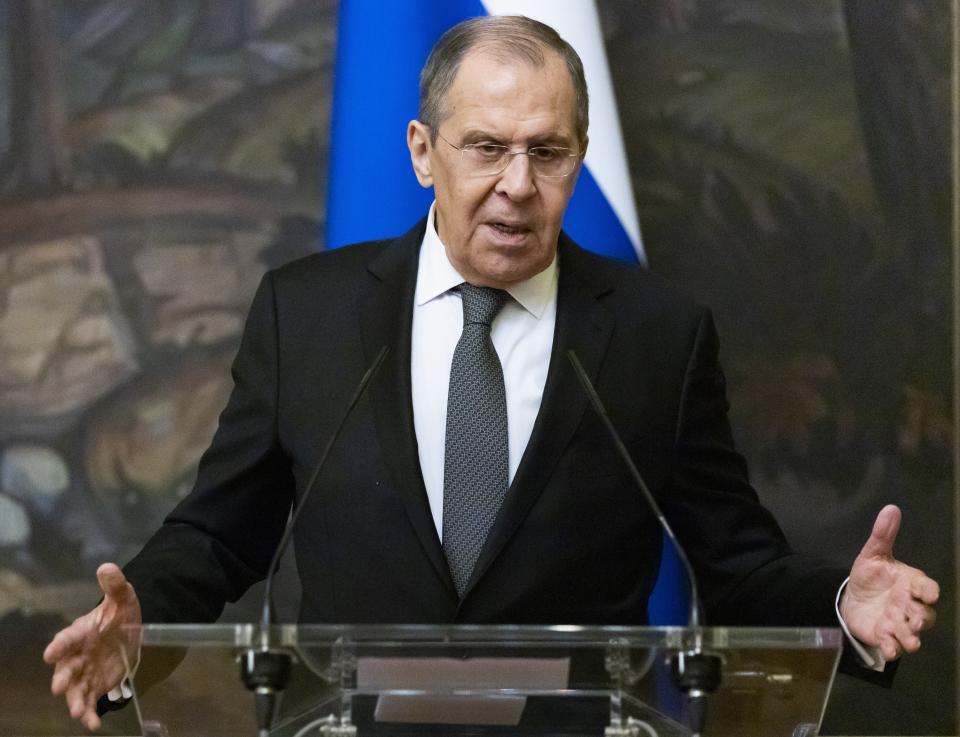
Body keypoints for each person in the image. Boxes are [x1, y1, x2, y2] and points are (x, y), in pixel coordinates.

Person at [44, 15, 939, 731]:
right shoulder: (305, 314)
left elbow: (738, 563)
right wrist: (140, 622)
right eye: (485, 147)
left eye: (547, 152)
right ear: (422, 152)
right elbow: (219, 534)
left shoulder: (656, 334)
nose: (518, 183)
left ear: (579, 158)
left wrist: (840, 606)